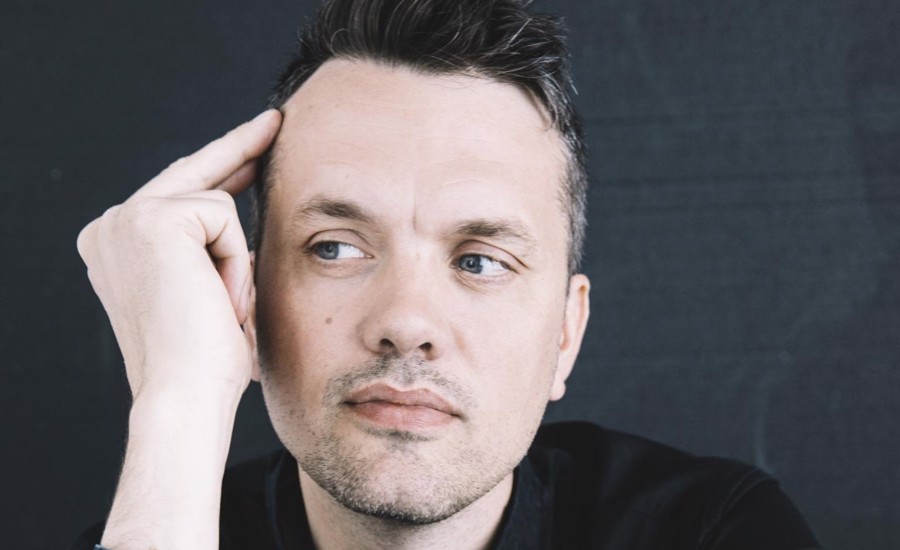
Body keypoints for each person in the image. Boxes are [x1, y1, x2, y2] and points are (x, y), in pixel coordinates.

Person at [73, 0, 821, 548]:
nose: (406, 322)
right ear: (247, 299)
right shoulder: (156, 524)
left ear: (566, 334)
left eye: (479, 261)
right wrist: (177, 407)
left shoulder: (712, 531)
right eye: (335, 248)